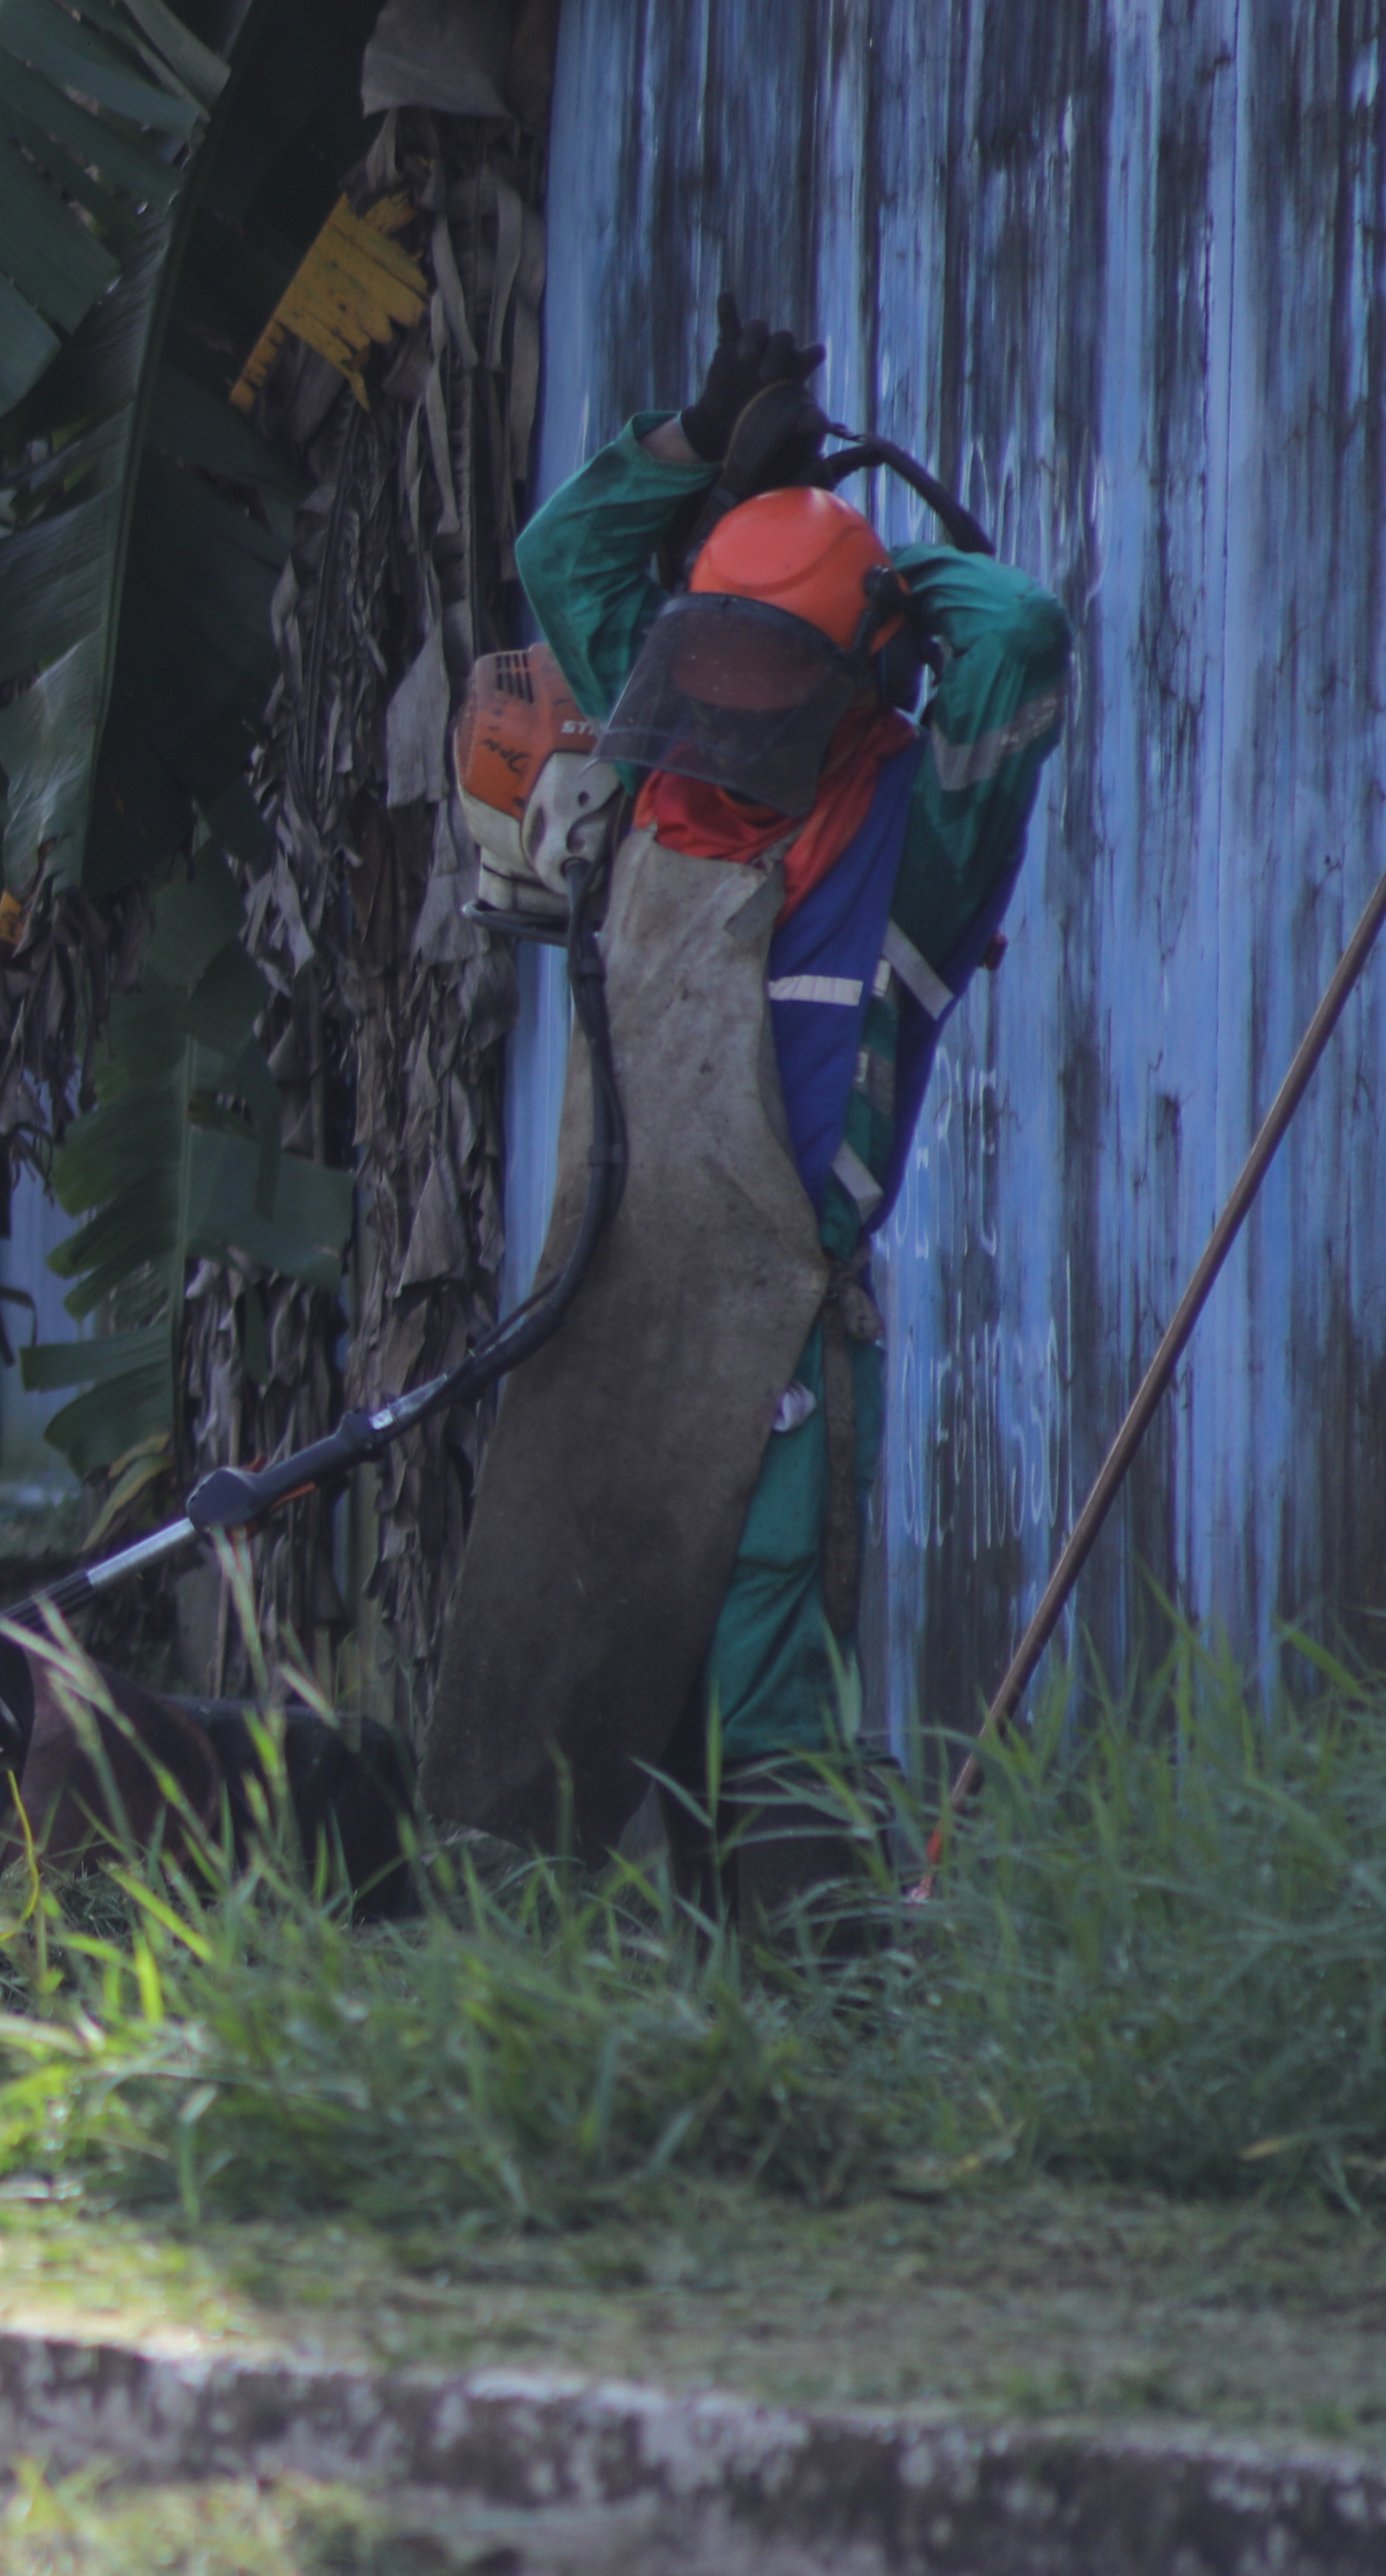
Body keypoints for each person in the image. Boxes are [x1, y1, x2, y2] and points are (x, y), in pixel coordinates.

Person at [424, 307, 1068, 1923]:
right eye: (708, 659)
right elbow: (567, 551)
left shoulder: (921, 834)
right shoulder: (663, 773)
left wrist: (881, 579)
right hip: (606, 1314)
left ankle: (821, 2027)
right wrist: (704, 450)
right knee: (556, 1691)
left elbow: (1027, 633)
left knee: (765, 1706)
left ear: (852, 685)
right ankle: (540, 1997)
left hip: (775, 1342)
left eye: (771, 672)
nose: (730, 701)